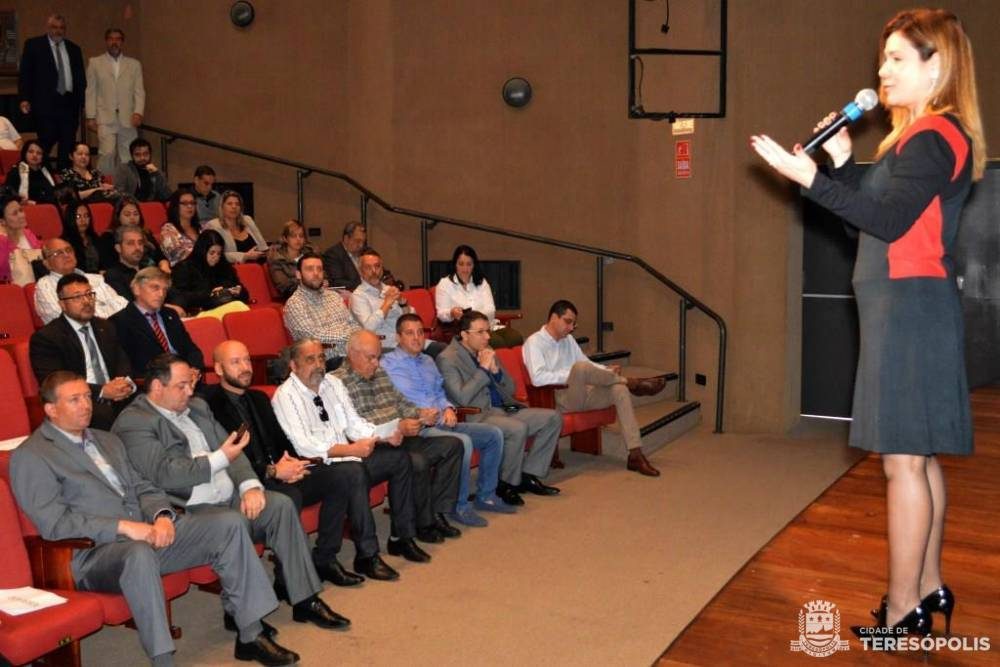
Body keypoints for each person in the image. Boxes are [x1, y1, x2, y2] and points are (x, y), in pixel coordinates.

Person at [750, 8, 985, 638]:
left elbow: (886, 223)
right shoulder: (918, 139)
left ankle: (903, 609)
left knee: (902, 464)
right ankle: (929, 589)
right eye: (883, 58)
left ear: (937, 66)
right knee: (918, 459)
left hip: (909, 310)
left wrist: (810, 178)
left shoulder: (932, 136)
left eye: (897, 58)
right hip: (906, 306)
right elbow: (872, 225)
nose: (882, 70)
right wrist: (843, 167)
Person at [11, 371, 302, 667]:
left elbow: (144, 487)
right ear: (51, 409)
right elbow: (55, 523)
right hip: (94, 554)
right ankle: (163, 660)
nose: (86, 405)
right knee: (138, 554)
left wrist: (162, 515)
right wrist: (124, 527)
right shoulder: (33, 455)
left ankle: (250, 635)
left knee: (228, 524)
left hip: (147, 533)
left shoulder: (106, 439)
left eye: (87, 396)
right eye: (75, 400)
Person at [112, 354, 351, 639]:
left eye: (191, 384)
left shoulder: (197, 407)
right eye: (181, 386)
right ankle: (247, 620)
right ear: (156, 387)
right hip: (190, 508)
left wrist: (249, 486)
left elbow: (234, 451)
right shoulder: (135, 422)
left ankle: (305, 599)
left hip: (227, 495)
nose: (190, 391)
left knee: (280, 506)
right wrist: (221, 458)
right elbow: (165, 474)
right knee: (231, 521)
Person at [203, 340, 393, 586]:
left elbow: (282, 442)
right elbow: (229, 460)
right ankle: (287, 581)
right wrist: (273, 471)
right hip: (252, 482)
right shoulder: (210, 405)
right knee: (289, 497)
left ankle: (326, 558)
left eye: (247, 360)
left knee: (348, 473)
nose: (246, 367)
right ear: (218, 369)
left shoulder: (258, 398)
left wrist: (291, 464)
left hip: (283, 472)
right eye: (235, 362)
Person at [272, 338, 431, 574]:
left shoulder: (333, 383)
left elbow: (354, 424)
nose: (318, 365)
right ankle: (367, 554)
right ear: (294, 366)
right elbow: (305, 447)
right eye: (310, 359)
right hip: (314, 467)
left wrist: (384, 435)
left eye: (321, 358)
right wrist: (350, 450)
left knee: (399, 458)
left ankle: (402, 537)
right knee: (353, 472)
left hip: (347, 458)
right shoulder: (285, 396)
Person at [333, 330, 465, 542]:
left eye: (378, 357)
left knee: (452, 445)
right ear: (352, 354)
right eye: (371, 358)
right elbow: (355, 426)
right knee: (417, 461)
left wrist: (420, 414)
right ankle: (424, 524)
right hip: (373, 445)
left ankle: (437, 512)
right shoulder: (337, 382)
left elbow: (401, 403)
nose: (376, 363)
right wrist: (398, 426)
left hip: (400, 437)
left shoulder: (379, 373)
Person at [383, 313, 513, 526]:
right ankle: (459, 506)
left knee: (493, 434)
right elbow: (393, 402)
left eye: (420, 332)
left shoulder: (428, 361)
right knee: (463, 441)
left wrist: (448, 407)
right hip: (419, 428)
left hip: (444, 420)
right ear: (398, 337)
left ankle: (486, 496)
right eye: (409, 333)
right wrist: (420, 414)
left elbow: (439, 392)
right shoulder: (388, 364)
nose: (417, 338)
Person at [523, 300, 663, 477]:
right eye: (568, 322)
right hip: (558, 398)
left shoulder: (569, 340)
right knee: (579, 369)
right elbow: (538, 378)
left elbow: (587, 363)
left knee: (619, 390)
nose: (571, 328)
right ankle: (631, 383)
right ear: (553, 317)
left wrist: (606, 370)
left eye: (574, 324)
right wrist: (572, 374)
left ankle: (635, 454)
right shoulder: (534, 343)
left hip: (582, 392)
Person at [436, 310, 561, 507]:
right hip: (478, 415)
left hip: (505, 408)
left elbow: (511, 389)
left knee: (552, 418)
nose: (487, 337)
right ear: (464, 334)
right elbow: (462, 397)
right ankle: (505, 485)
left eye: (488, 331)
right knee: (517, 428)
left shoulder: (487, 350)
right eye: (480, 332)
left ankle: (528, 474)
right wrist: (483, 370)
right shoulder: (448, 358)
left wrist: (496, 372)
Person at [29, 273, 135, 430]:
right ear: (62, 304)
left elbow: (122, 361)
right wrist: (102, 391)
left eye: (89, 294)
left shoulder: (106, 326)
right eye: (77, 297)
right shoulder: (47, 337)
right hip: (81, 401)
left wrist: (125, 383)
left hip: (118, 396)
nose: (86, 301)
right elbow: (55, 383)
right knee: (108, 417)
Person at [17, 14, 86, 168]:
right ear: (48, 28)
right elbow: (25, 74)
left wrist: (81, 103)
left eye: (62, 28)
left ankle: (63, 177)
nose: (58, 31)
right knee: (44, 146)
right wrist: (24, 98)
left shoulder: (74, 49)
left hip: (69, 106)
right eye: (54, 27)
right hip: (45, 106)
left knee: (67, 147)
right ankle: (41, 176)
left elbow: (80, 79)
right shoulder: (34, 45)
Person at [111, 267, 201, 374]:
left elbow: (191, 350)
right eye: (155, 288)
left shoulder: (170, 315)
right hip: (153, 378)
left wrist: (193, 369)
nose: (161, 294)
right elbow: (129, 364)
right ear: (136, 289)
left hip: (184, 374)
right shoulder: (120, 321)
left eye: (165, 290)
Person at [283, 253, 362, 369]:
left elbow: (352, 323)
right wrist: (351, 336)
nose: (316, 273)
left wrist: (358, 336)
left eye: (319, 269)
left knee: (378, 355)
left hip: (352, 351)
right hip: (325, 359)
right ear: (298, 274)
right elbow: (313, 336)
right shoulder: (295, 304)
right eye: (310, 269)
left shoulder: (334, 296)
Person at [435, 244, 523, 348]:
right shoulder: (445, 284)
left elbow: (491, 309)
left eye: (469, 264)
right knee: (497, 342)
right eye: (461, 264)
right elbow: (441, 313)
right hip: (466, 332)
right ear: (455, 264)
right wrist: (451, 313)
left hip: (488, 326)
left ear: (474, 265)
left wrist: (475, 318)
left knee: (515, 338)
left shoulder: (482, 282)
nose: (465, 269)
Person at [85, 28, 144, 173]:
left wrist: (138, 112)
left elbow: (139, 91)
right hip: (105, 117)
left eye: (118, 39)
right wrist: (90, 116)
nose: (114, 42)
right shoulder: (95, 63)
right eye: (111, 39)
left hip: (128, 117)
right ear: (106, 41)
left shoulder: (134, 64)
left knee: (129, 155)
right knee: (107, 153)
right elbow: (91, 91)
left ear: (122, 42)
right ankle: (104, 184)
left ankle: (128, 184)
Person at [35, 237, 128, 324]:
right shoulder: (45, 286)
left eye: (69, 250)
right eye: (58, 253)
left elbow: (122, 305)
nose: (66, 255)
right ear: (47, 264)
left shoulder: (95, 278)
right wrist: (108, 311)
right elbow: (69, 319)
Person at [170, 230, 249, 313]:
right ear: (202, 251)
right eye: (212, 253)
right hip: (199, 312)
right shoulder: (184, 268)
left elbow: (244, 293)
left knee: (241, 308)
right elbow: (178, 297)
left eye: (219, 253)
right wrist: (209, 295)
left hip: (226, 307)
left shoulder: (224, 266)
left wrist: (239, 292)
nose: (216, 257)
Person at [350, 248, 414, 349]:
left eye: (377, 266)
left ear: (382, 268)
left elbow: (413, 320)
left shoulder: (389, 289)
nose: (374, 271)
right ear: (360, 271)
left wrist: (403, 304)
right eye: (368, 267)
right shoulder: (358, 296)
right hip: (383, 347)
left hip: (408, 341)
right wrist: (387, 303)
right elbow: (369, 328)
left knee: (438, 348)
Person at [98, 194, 165, 271]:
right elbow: (108, 266)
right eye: (127, 215)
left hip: (153, 272)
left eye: (136, 214)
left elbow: (160, 256)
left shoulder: (146, 233)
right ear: (118, 217)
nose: (132, 218)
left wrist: (164, 264)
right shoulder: (108, 237)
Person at [202, 190, 267, 263]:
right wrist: (245, 256)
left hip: (257, 266)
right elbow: (212, 255)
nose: (234, 207)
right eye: (229, 204)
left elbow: (263, 247)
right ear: (222, 207)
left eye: (237, 204)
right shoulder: (213, 225)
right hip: (230, 268)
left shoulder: (247, 220)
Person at [104, 225, 156, 300]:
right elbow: (127, 303)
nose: (137, 247)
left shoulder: (151, 270)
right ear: (118, 248)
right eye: (131, 243)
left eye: (140, 243)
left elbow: (171, 295)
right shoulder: (113, 275)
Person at [113, 138, 171, 202]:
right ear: (132, 156)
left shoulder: (156, 171)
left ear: (150, 154)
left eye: (145, 154)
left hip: (151, 206)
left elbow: (167, 196)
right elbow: (119, 193)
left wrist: (157, 174)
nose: (142, 158)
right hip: (131, 206)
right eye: (137, 155)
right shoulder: (124, 169)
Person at [0, 195, 41, 283]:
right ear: (2, 221)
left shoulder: (28, 234)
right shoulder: (1, 242)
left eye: (21, 210)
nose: (22, 215)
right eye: (15, 213)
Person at [267, 219, 312, 300]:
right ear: (285, 238)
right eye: (293, 236)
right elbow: (284, 287)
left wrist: (324, 281)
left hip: (314, 294)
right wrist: (309, 282)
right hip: (292, 298)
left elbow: (323, 275)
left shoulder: (310, 255)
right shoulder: (277, 258)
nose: (298, 239)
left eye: (301, 236)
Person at [4, 140, 56, 204]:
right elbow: (8, 193)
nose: (34, 155)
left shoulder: (46, 172)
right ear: (25, 153)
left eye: (39, 153)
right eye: (31, 152)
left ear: (43, 156)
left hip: (50, 206)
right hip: (29, 207)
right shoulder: (15, 171)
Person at [159, 189, 200, 266]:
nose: (190, 206)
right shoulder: (167, 230)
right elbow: (178, 256)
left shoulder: (201, 228)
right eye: (184, 203)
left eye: (192, 203)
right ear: (175, 206)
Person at [321, 221, 366, 290]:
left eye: (363, 242)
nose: (361, 245)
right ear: (346, 239)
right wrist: (365, 286)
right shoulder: (333, 254)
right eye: (358, 241)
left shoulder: (366, 252)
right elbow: (337, 282)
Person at [60, 200, 101, 273]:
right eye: (78, 217)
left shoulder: (94, 237)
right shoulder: (64, 242)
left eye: (86, 216)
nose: (83, 220)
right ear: (70, 218)